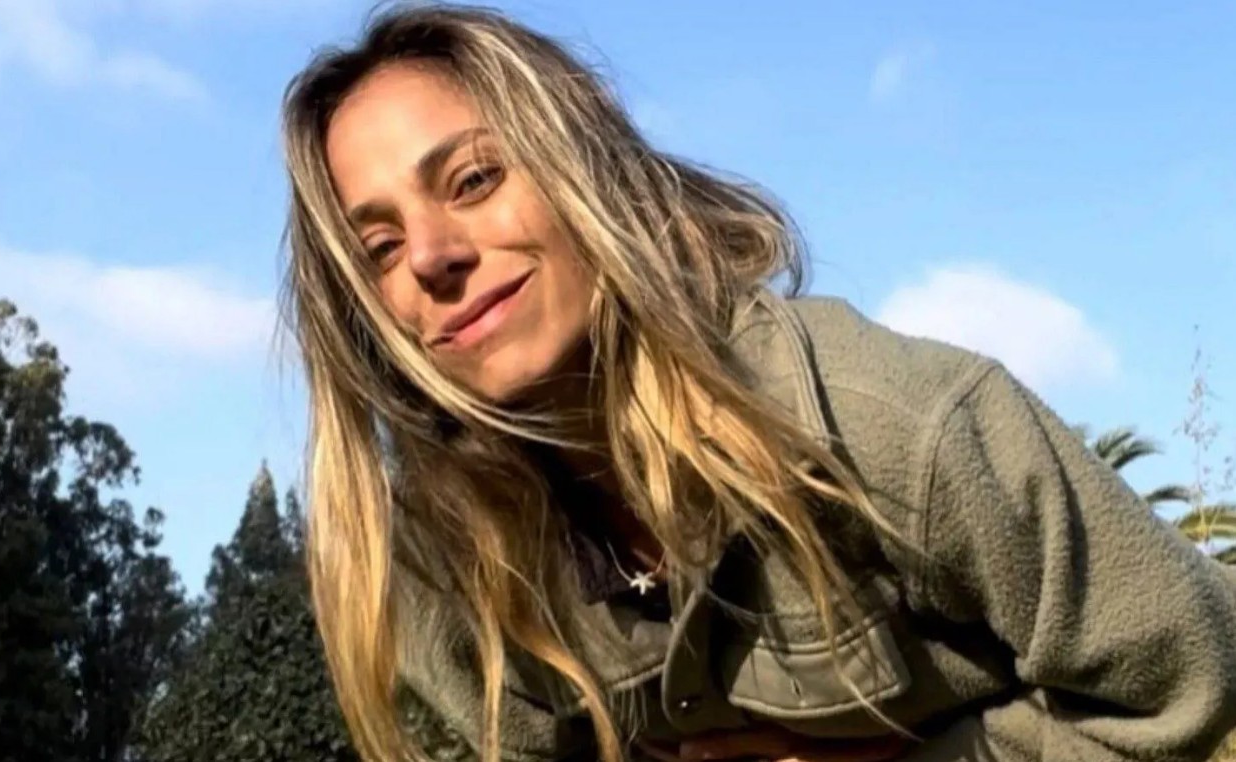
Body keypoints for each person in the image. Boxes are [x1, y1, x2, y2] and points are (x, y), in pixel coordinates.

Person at [278, 4, 1236, 761]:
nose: (432, 256)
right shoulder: (451, 562)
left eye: (474, 181)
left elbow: (1195, 682)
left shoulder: (891, 428)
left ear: (583, 168)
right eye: (379, 248)